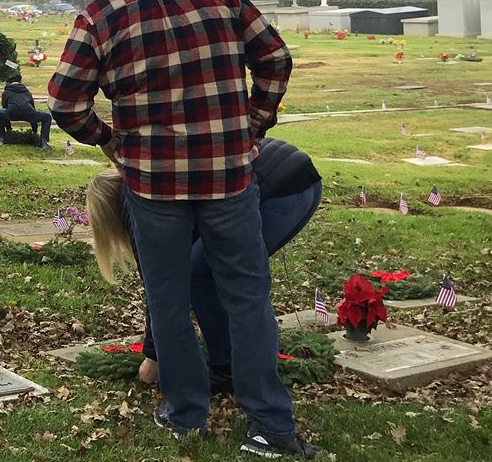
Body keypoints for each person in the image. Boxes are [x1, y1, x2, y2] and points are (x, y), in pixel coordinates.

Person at [48, 0, 314, 457]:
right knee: (248, 296)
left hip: (153, 182)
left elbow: (64, 101)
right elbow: (276, 61)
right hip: (230, 175)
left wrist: (109, 140)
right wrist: (253, 127)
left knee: (167, 298)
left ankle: (185, 413)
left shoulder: (102, 16)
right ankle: (271, 426)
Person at [85, 138, 323, 391]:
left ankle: (227, 367)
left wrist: (154, 357)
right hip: (298, 178)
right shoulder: (155, 182)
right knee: (209, 271)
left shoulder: (137, 206)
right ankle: (239, 357)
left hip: (282, 192)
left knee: (201, 277)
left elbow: (161, 290)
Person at [0, 72, 53, 148]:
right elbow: (33, 108)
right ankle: (43, 141)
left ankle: (2, 138)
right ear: (20, 82)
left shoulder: (6, 92)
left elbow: (5, 108)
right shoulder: (27, 92)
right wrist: (34, 131)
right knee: (47, 116)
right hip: (29, 114)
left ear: (8, 83)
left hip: (12, 114)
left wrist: (8, 129)